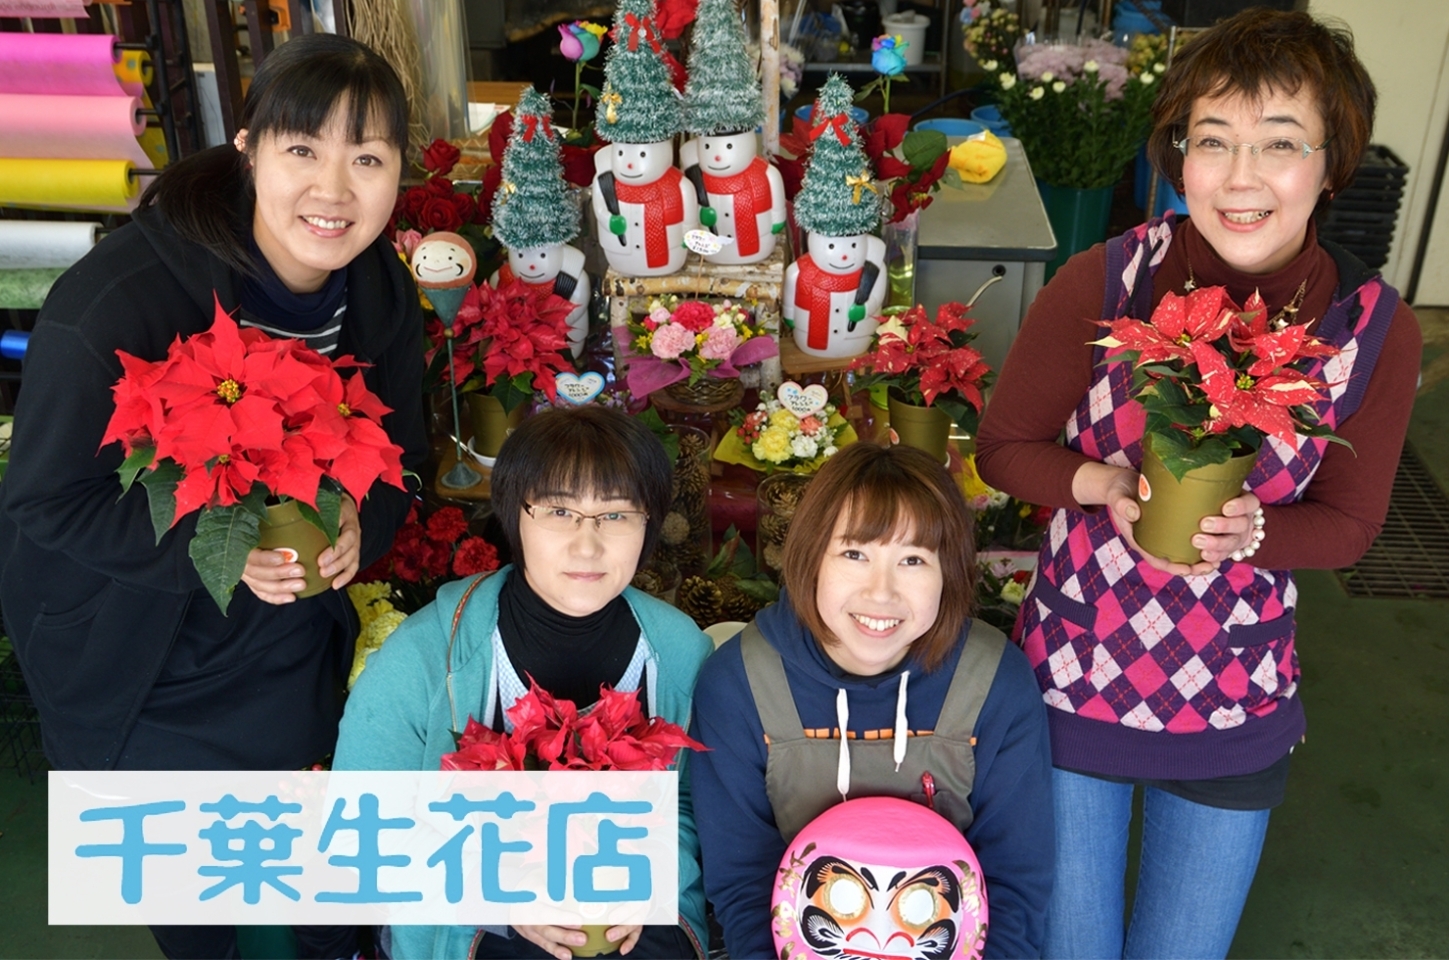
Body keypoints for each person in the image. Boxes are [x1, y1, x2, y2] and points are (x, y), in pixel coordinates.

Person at [975, 10, 1421, 959]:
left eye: (1280, 143)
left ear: (1330, 163)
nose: (1241, 176)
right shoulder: (1107, 281)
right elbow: (1003, 447)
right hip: (1072, 679)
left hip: (1231, 697)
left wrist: (1255, 533)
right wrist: (1098, 481)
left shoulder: (1371, 329)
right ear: (1177, 157)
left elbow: (1347, 526)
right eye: (1210, 141)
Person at [0, 33, 426, 959]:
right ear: (248, 147)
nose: (334, 191)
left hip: (285, 633)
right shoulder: (120, 301)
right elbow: (47, 503)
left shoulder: (381, 292)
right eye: (302, 151)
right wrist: (216, 550)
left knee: (320, 874)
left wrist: (365, 521)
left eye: (367, 159)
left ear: (398, 172)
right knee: (197, 906)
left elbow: (407, 457)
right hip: (135, 650)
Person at [333, 405, 713, 960]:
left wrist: (649, 873)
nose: (588, 546)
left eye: (615, 516)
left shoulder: (679, 653)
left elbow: (688, 805)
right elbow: (358, 832)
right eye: (560, 511)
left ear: (648, 525)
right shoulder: (426, 657)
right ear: (516, 516)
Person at [690, 442, 1055, 959]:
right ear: (811, 555)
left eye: (912, 559)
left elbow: (1016, 881)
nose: (881, 593)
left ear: (948, 572)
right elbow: (743, 880)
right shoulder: (739, 683)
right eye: (854, 554)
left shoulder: (995, 681)